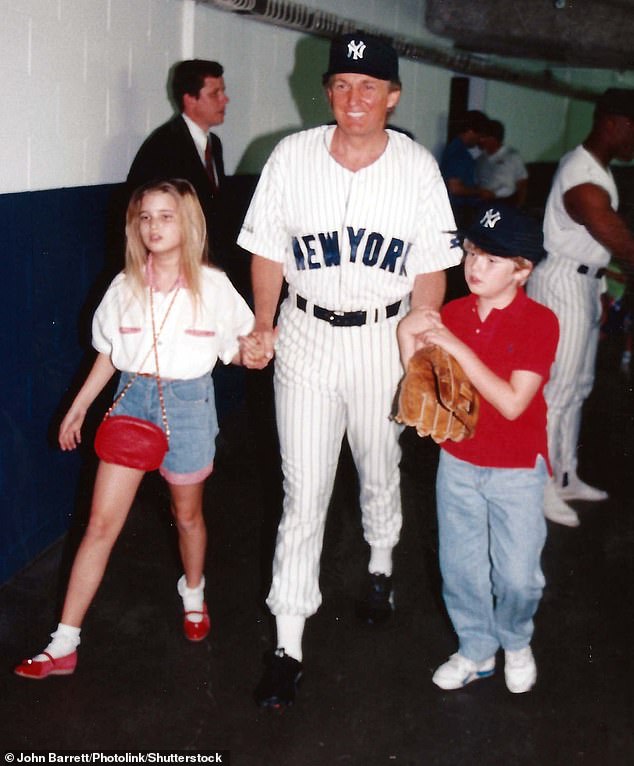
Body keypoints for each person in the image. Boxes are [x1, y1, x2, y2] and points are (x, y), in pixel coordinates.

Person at [237, 32, 461, 708]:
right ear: (327, 91)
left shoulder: (417, 167)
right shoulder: (290, 156)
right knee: (303, 491)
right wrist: (264, 322)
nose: (354, 97)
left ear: (392, 96)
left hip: (381, 337)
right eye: (342, 84)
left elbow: (431, 266)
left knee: (378, 465)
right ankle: (288, 642)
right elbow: (269, 251)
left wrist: (420, 342)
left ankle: (382, 560)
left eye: (369, 86)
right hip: (305, 334)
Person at [15, 179, 254, 679]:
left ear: (187, 223)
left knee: (186, 516)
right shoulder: (124, 286)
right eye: (145, 217)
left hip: (189, 404)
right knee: (100, 525)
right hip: (132, 402)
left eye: (166, 216)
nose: (154, 227)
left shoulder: (212, 286)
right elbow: (107, 355)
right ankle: (64, 642)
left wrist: (255, 351)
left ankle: (193, 592)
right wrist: (78, 407)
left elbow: (238, 347)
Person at [398, 203, 559, 694]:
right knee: (460, 568)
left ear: (523, 269)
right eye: (471, 252)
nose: (474, 267)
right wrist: (409, 339)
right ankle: (476, 648)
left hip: (515, 467)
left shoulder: (540, 321)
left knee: (518, 577)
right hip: (460, 462)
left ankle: (515, 639)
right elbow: (426, 386)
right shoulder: (453, 312)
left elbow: (512, 403)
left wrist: (456, 347)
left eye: (492, 259)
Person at [526, 88, 634, 527]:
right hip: (563, 285)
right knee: (556, 393)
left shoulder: (597, 170)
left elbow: (597, 246)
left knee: (579, 387)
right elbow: (617, 236)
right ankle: (541, 487)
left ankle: (565, 475)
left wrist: (602, 291)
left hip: (585, 284)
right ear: (614, 124)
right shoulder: (582, 175)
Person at [127, 60, 229, 265]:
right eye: (214, 94)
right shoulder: (164, 146)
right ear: (190, 100)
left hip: (208, 259)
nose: (225, 100)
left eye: (223, 92)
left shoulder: (213, 144)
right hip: (178, 263)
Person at [440, 109, 494, 228]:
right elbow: (455, 188)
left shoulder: (456, 149)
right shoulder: (459, 153)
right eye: (479, 135)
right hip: (459, 211)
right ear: (470, 131)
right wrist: (480, 192)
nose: (480, 139)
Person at [475, 119, 529, 207]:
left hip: (506, 203)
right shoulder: (480, 159)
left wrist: (520, 207)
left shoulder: (512, 157)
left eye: (483, 137)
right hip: (484, 204)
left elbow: (522, 183)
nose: (480, 140)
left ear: (493, 139)